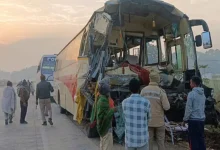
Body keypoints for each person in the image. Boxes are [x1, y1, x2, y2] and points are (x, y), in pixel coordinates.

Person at [141, 69, 170, 150]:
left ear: (150, 79)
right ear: (158, 79)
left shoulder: (143, 91)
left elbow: (140, 106)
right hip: (159, 123)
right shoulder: (161, 92)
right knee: (161, 143)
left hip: (148, 122)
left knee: (149, 143)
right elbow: (167, 107)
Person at [122, 78, 151, 150]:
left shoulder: (124, 103)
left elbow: (124, 119)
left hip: (130, 140)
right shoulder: (146, 102)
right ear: (139, 88)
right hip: (142, 140)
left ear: (129, 89)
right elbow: (149, 119)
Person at [182, 76, 206, 150]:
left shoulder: (191, 94)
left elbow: (188, 108)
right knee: (201, 140)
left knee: (193, 141)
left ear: (194, 83)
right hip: (201, 121)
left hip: (193, 121)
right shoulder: (203, 94)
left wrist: (185, 119)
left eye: (190, 82)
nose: (190, 84)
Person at [96, 81, 117, 150]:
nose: (109, 93)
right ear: (106, 92)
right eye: (108, 91)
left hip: (102, 127)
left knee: (103, 145)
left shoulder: (101, 99)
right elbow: (106, 116)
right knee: (107, 147)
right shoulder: (103, 101)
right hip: (106, 128)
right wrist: (113, 110)